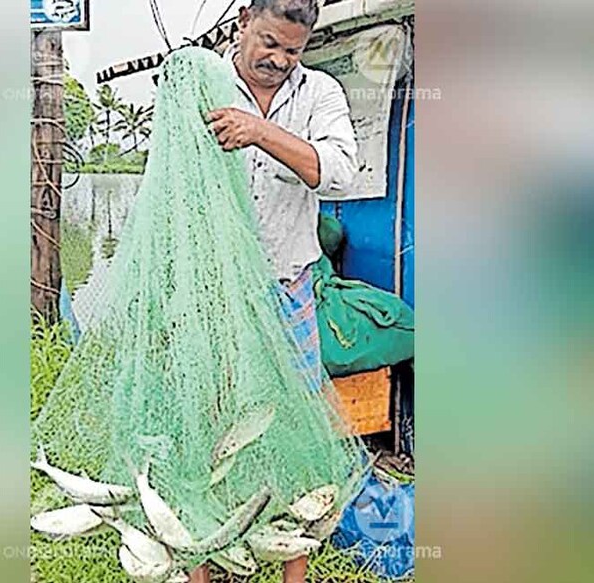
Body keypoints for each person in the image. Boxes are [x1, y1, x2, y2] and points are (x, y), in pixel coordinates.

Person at [196, 2, 359, 581]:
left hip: (289, 288)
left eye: (292, 50)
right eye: (268, 42)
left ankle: (293, 570)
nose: (278, 60)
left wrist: (261, 132)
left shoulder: (319, 94)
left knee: (297, 428)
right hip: (213, 294)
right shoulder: (201, 82)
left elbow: (340, 172)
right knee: (209, 424)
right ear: (242, 20)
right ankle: (203, 562)